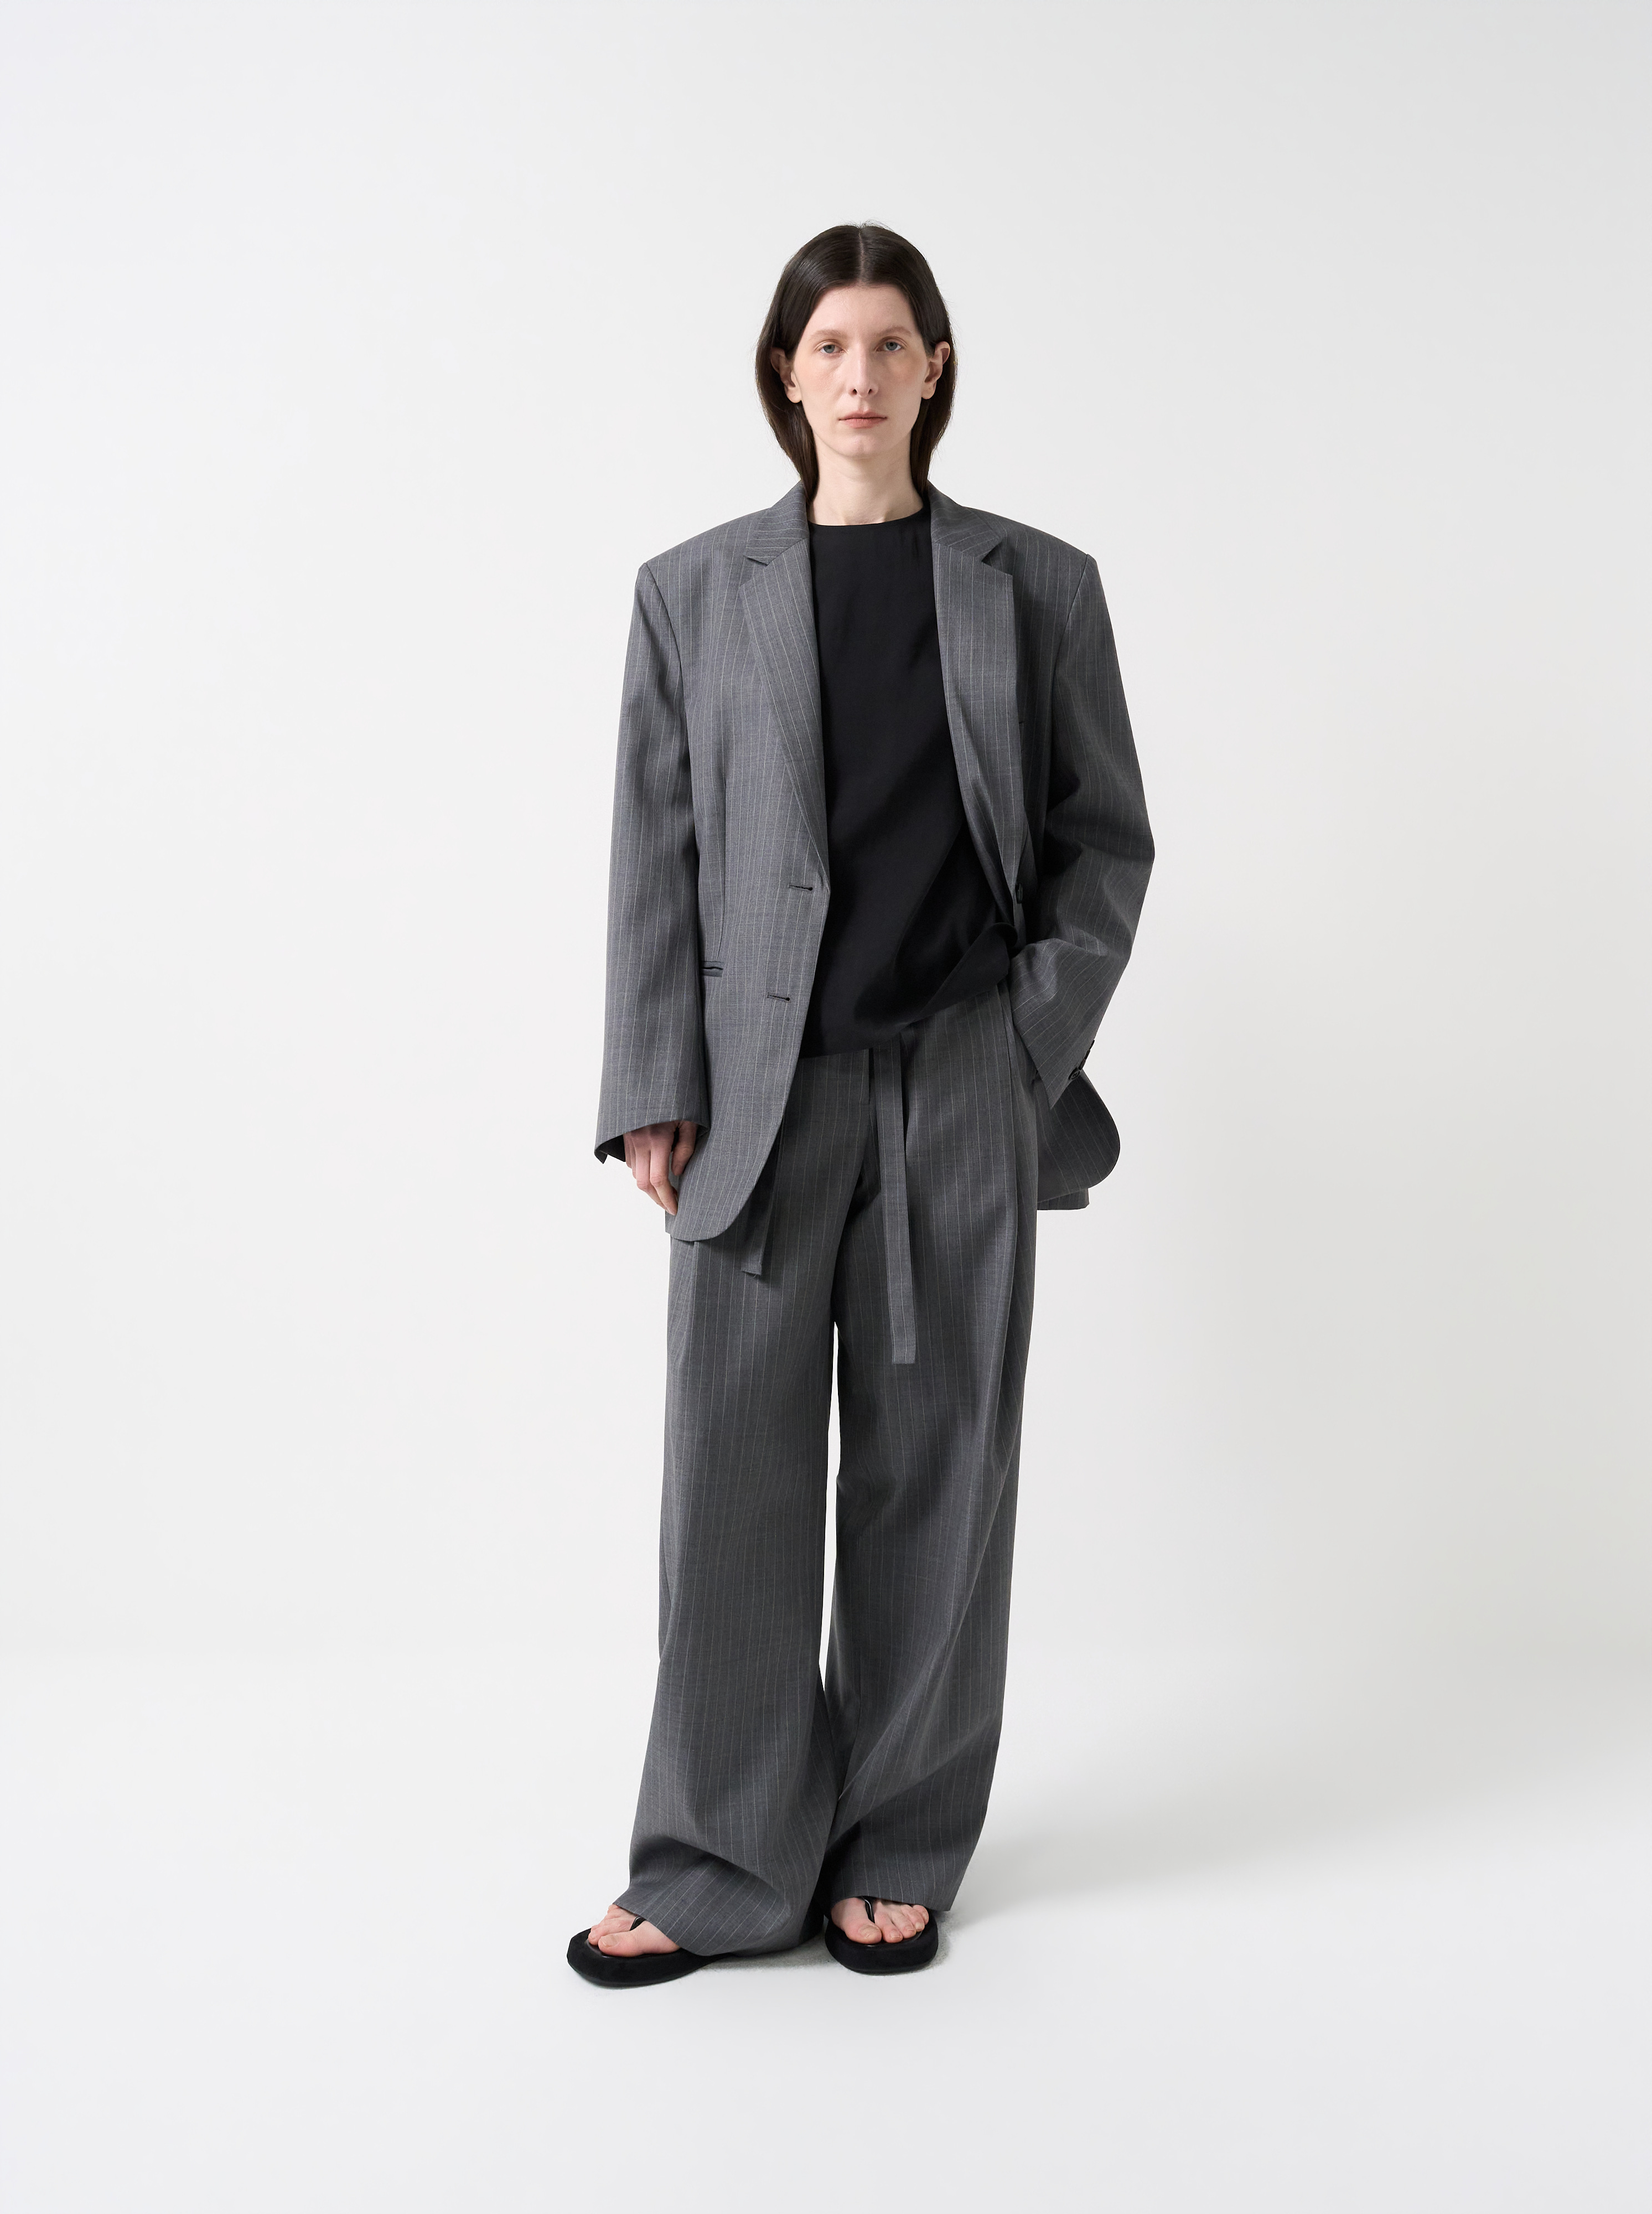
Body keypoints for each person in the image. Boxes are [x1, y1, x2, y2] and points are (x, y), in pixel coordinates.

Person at [568, 224, 1153, 1987]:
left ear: (935, 371)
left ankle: (896, 1842)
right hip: (758, 1103)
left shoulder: (1036, 586)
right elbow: (655, 854)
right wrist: (653, 1083)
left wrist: (1023, 1049)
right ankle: (719, 1861)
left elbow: (1104, 845)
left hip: (960, 1086)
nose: (860, 374)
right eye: (830, 344)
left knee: (936, 1475)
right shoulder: (692, 592)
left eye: (892, 344)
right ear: (784, 373)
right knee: (732, 1483)